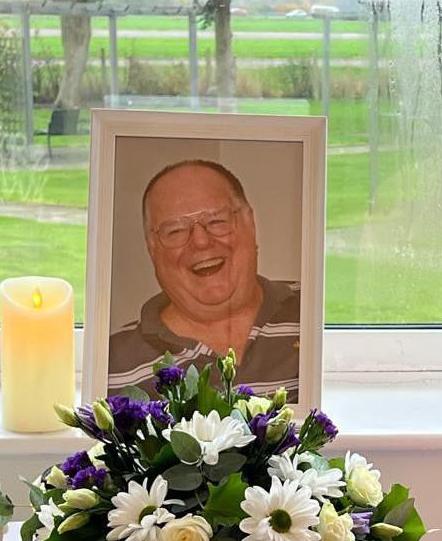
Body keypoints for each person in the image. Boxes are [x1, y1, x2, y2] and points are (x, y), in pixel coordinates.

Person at [108, 159, 300, 395]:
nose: (200, 241)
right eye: (176, 230)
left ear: (251, 222)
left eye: (217, 221)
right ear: (152, 248)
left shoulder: (311, 314)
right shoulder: (112, 368)